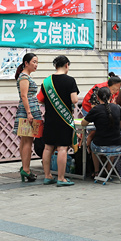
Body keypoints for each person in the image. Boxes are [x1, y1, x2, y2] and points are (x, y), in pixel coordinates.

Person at [40, 55, 79, 187]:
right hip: (64, 120)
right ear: (67, 65)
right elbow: (74, 100)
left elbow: (40, 99)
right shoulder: (70, 80)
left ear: (55, 66)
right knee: (62, 148)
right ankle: (61, 178)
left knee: (48, 147)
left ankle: (47, 176)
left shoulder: (46, 82)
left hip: (50, 118)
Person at [81, 87, 121, 178]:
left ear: (97, 97)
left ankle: (97, 171)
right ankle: (108, 170)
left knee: (92, 145)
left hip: (100, 145)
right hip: (118, 146)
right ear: (111, 96)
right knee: (111, 145)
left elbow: (83, 123)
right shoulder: (117, 108)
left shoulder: (96, 109)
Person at [14, 53, 41, 183]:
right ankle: (26, 169)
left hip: (29, 110)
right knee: (28, 141)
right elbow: (24, 96)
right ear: (26, 63)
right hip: (28, 111)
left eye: (37, 62)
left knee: (25, 140)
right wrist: (29, 113)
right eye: (34, 62)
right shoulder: (24, 77)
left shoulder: (25, 76)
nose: (36, 65)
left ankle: (25, 168)